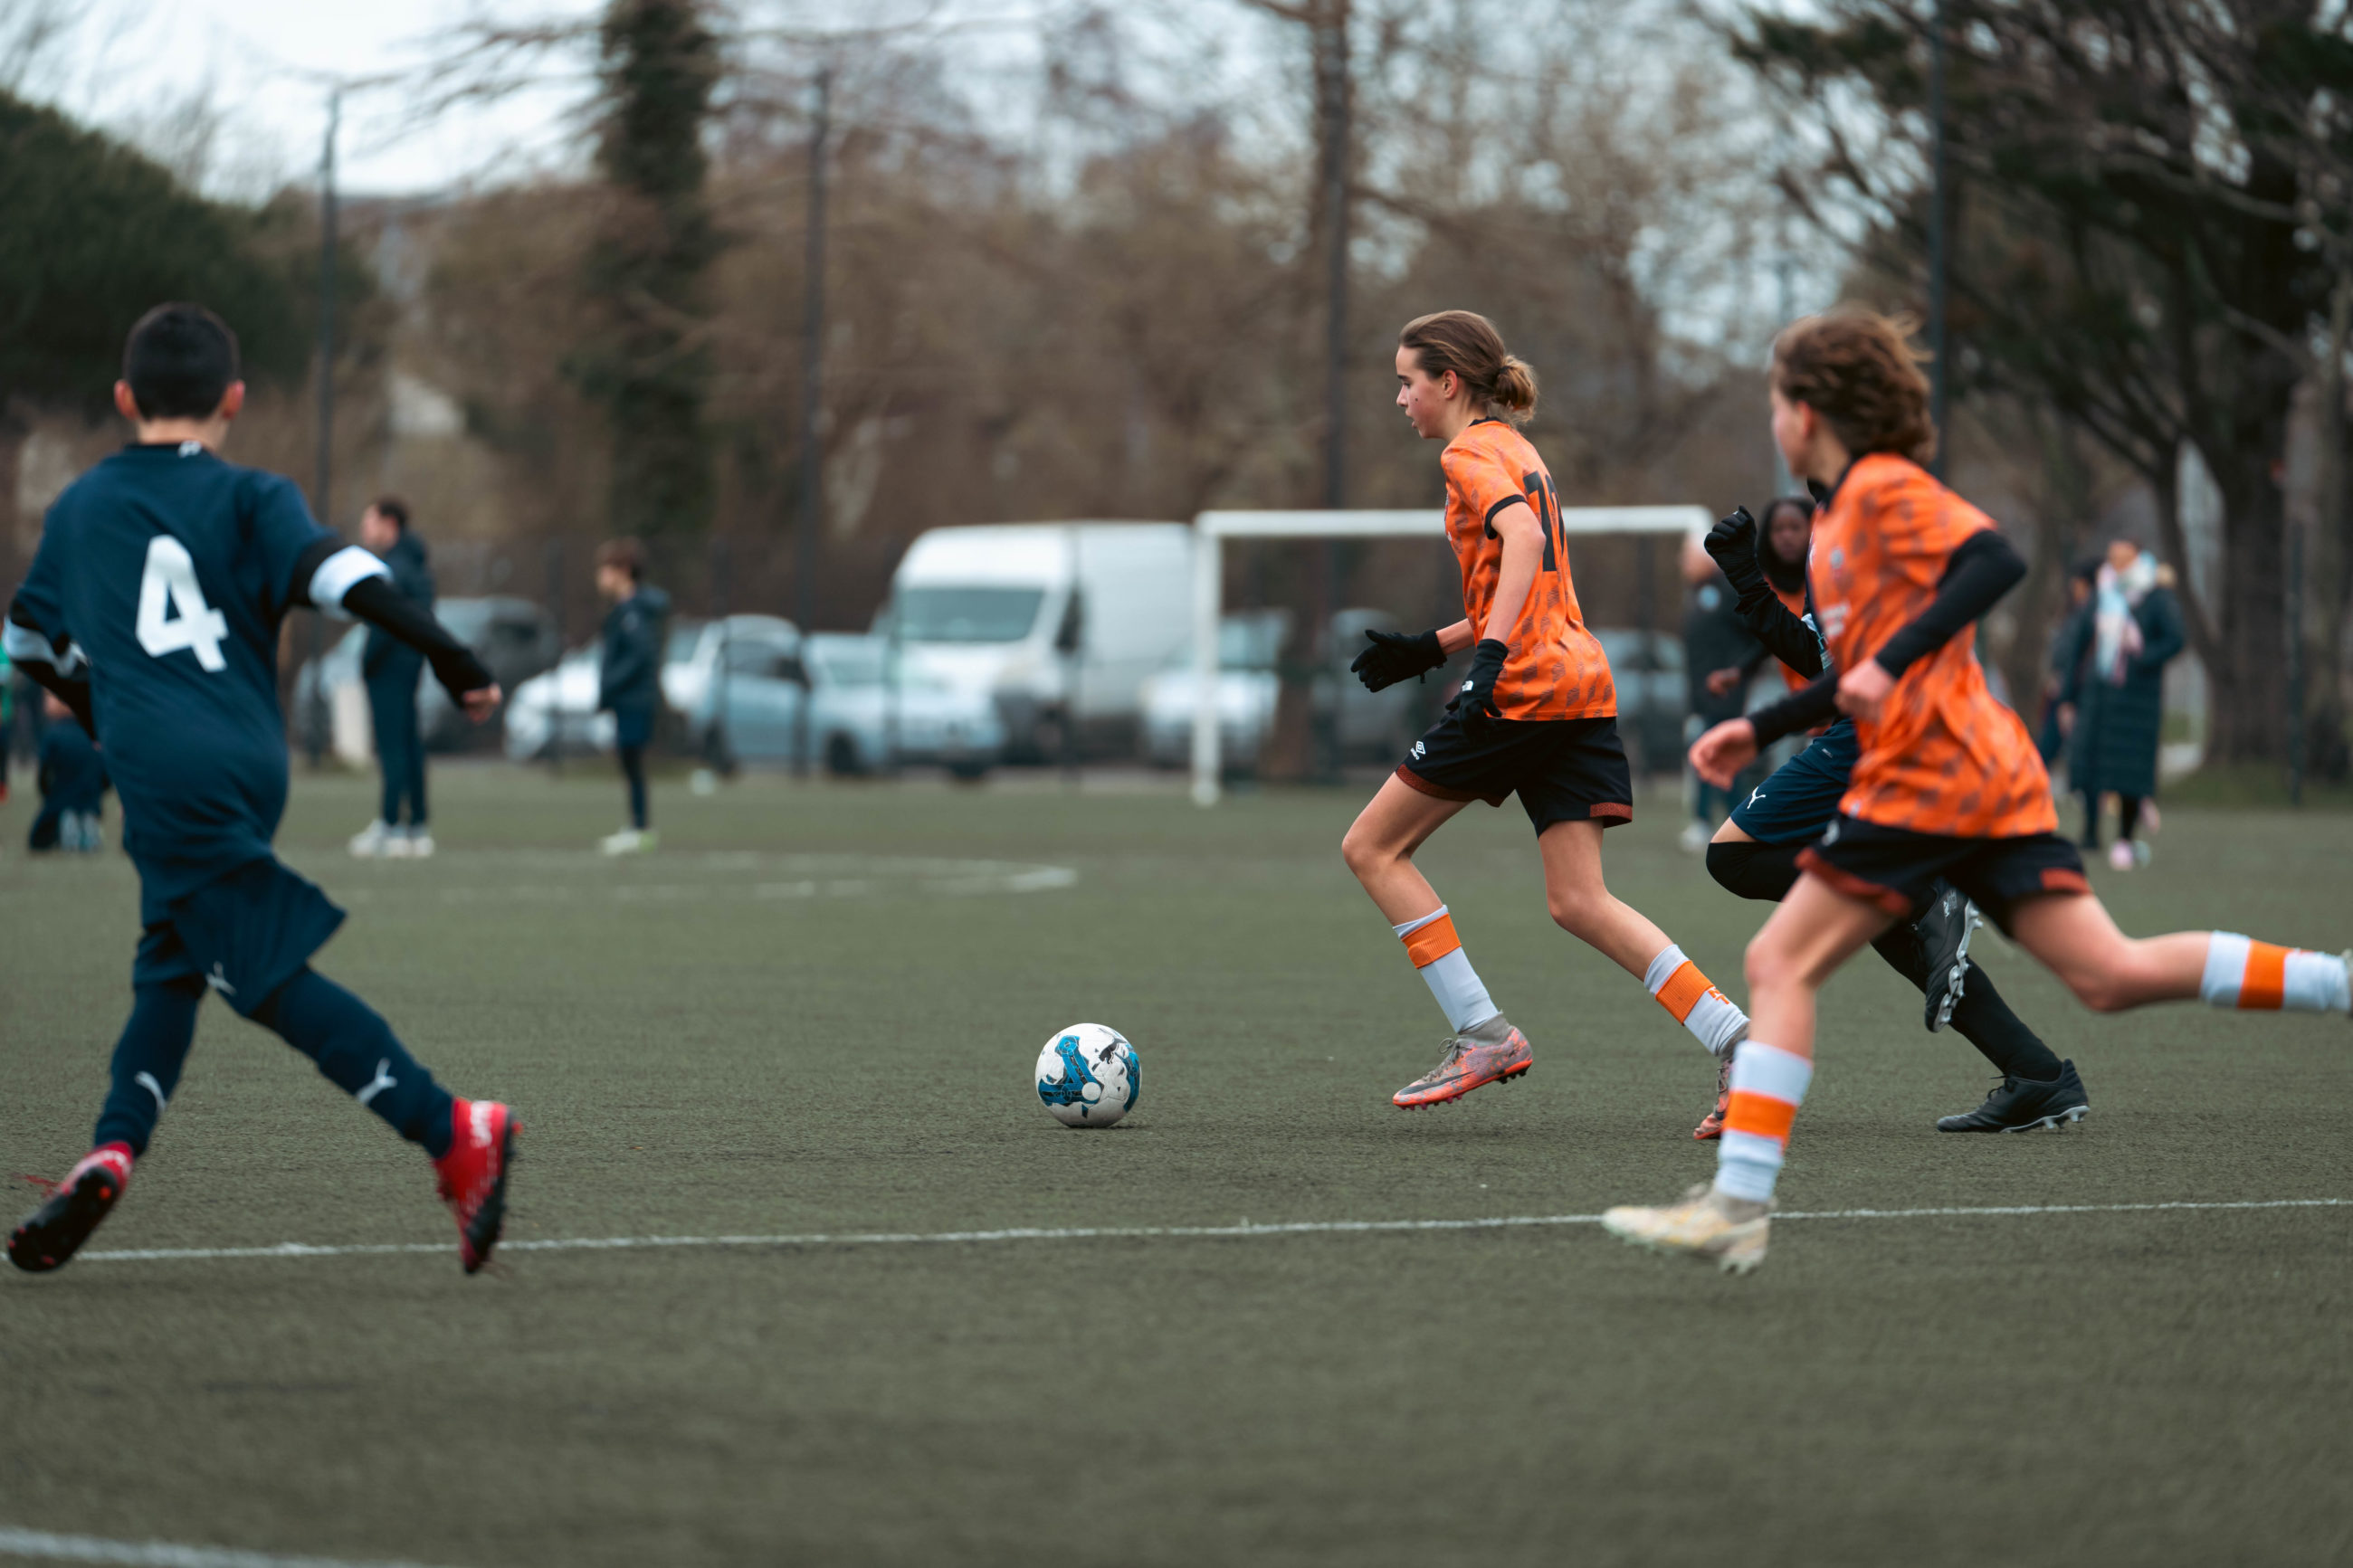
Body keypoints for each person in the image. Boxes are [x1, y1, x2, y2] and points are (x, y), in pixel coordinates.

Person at [1602, 308, 2347, 1274]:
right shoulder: (1834, 519)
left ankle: (1738, 1204)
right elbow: (1852, 672)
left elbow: (1996, 559)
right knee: (2106, 973)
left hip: (1932, 774)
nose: (1773, 416)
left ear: (1807, 407)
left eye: (1777, 398)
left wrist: (1884, 667)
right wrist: (1760, 726)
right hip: (1971, 771)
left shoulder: (1877, 488)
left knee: (1777, 960)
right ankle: (2336, 980)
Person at [4, 303, 519, 1276]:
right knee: (173, 956)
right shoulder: (257, 494)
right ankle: (113, 1146)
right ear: (234, 400)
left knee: (264, 977)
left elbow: (25, 640)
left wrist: (98, 702)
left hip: (163, 764)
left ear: (123, 399)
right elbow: (345, 574)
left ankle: (455, 1128)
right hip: (251, 754)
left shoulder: (79, 508)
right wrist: (453, 658)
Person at [1344, 310, 1750, 1111]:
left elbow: (1523, 542)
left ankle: (1483, 1033)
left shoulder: (1468, 454)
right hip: (1581, 688)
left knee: (1372, 849)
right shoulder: (1518, 447)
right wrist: (1434, 646)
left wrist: (1487, 662)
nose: (1400, 398)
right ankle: (1736, 1038)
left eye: (1407, 380)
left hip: (1521, 695)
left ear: (1448, 382)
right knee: (1579, 900)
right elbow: (1528, 585)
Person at [1692, 498, 2091, 1140]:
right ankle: (2036, 1071)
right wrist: (1748, 578)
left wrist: (1762, 724)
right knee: (1886, 924)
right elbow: (1818, 657)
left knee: (1733, 854)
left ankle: (1918, 887)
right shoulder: (1839, 526)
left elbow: (1895, 650)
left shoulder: (1873, 508)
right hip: (1881, 727)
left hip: (1882, 732)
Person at [2057, 539, 2184, 869]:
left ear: (2138, 557)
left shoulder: (2155, 594)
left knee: (2130, 769)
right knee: (2090, 761)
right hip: (2099, 693)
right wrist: (2068, 696)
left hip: (2137, 699)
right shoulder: (2103, 593)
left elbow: (2175, 638)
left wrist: (2142, 654)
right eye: (2112, 556)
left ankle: (2125, 838)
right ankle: (2089, 833)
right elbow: (2078, 646)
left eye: (2123, 555)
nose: (2116, 561)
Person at [348, 495, 436, 860]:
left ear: (390, 524)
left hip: (390, 668)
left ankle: (391, 825)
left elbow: (386, 623)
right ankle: (416, 824)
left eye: (370, 521)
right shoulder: (415, 565)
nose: (364, 529)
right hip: (410, 665)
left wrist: (368, 661)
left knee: (392, 747)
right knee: (409, 743)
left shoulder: (393, 569)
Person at [1679, 535, 1764, 852]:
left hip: (1726, 697)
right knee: (1707, 756)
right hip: (1702, 697)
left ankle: (1725, 821)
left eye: (1688, 557)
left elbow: (1757, 633)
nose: (1683, 564)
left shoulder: (1725, 591)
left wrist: (1740, 674)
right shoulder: (1697, 593)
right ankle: (1721, 821)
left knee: (1718, 757)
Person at [595, 537, 669, 856]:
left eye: (605, 570)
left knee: (632, 761)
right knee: (629, 762)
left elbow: (640, 655)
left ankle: (640, 828)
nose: (600, 577)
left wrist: (611, 684)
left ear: (623, 571)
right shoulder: (626, 610)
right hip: (629, 699)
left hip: (634, 700)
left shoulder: (632, 612)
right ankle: (638, 825)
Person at [30, 690, 110, 851]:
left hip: (61, 799)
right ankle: (86, 823)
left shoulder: (53, 734)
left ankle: (67, 824)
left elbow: (43, 775)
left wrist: (47, 794)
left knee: (37, 839)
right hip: (91, 798)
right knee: (84, 808)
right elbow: (106, 774)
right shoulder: (96, 732)